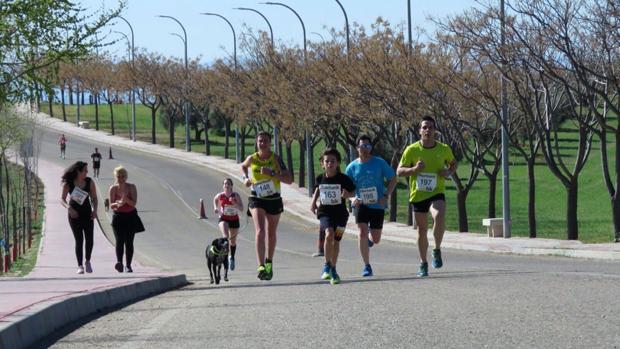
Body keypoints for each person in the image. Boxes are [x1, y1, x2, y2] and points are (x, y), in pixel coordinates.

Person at [397, 116, 456, 277]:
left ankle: (436, 249)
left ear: (435, 130)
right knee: (422, 230)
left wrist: (449, 172)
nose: (427, 130)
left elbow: (453, 163)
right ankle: (423, 263)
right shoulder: (412, 150)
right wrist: (414, 169)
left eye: (430, 127)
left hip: (436, 191)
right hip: (418, 195)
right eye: (424, 127)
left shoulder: (443, 149)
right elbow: (399, 171)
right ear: (420, 131)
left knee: (439, 214)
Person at [241, 131, 293, 281]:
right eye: (260, 141)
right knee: (260, 230)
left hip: (273, 198)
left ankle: (269, 262)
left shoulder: (276, 159)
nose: (262, 143)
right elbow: (243, 166)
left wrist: (272, 174)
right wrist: (245, 178)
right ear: (256, 143)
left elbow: (289, 179)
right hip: (256, 197)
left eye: (265, 141)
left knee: (271, 233)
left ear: (270, 143)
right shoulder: (252, 158)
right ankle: (261, 265)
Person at [345, 135, 397, 277]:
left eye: (367, 146)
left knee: (376, 239)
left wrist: (386, 195)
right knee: (361, 231)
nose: (365, 149)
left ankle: (370, 239)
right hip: (361, 204)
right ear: (357, 148)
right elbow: (346, 189)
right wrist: (353, 198)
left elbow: (393, 178)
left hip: (377, 204)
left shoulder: (379, 163)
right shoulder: (351, 167)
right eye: (362, 146)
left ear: (371, 148)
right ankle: (367, 266)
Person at [310, 148, 355, 285]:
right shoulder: (320, 177)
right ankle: (326, 265)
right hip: (325, 213)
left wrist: (348, 195)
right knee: (329, 234)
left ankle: (334, 269)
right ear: (322, 163)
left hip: (341, 215)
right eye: (327, 161)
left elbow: (353, 191)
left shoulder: (344, 179)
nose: (330, 164)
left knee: (337, 240)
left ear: (337, 163)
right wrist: (313, 203)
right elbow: (318, 189)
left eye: (333, 161)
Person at [60, 161, 98, 274]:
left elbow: (95, 198)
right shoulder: (69, 183)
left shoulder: (89, 182)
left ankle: (88, 261)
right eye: (85, 170)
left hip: (87, 214)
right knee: (79, 240)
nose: (87, 172)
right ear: (78, 171)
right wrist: (69, 208)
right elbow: (62, 199)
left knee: (90, 239)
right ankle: (80, 265)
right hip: (74, 215)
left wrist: (95, 211)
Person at [108, 166, 139, 273]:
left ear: (126, 177)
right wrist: (117, 203)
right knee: (119, 240)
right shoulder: (113, 188)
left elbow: (134, 203)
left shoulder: (131, 187)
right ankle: (119, 263)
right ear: (115, 177)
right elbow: (111, 205)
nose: (121, 178)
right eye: (118, 176)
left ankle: (128, 265)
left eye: (123, 176)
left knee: (129, 242)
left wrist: (126, 200)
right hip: (118, 217)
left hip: (130, 216)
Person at [213, 178, 244, 271]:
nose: (227, 185)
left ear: (231, 186)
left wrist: (234, 203)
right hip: (224, 218)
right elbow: (215, 199)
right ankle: (223, 257)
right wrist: (215, 208)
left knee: (233, 242)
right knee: (225, 238)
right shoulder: (220, 195)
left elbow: (242, 208)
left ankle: (232, 258)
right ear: (223, 186)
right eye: (225, 184)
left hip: (234, 220)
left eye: (228, 184)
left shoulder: (236, 195)